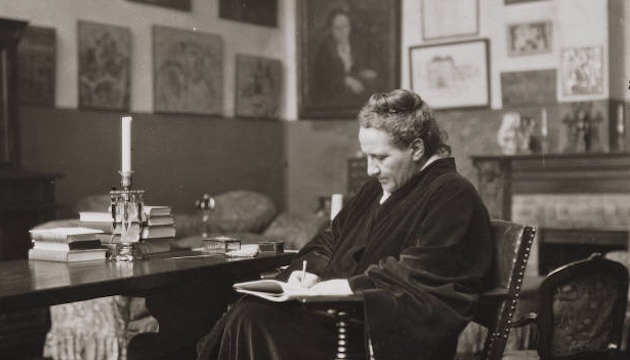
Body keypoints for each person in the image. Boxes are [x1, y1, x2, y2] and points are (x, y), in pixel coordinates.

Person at [196, 89, 494, 360]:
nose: (370, 168)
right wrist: (308, 274)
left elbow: (422, 278)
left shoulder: (452, 195)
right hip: (339, 315)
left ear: (416, 149)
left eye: (380, 157)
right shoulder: (377, 189)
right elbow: (330, 238)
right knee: (248, 312)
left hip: (375, 332)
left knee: (253, 320)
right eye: (366, 156)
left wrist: (345, 287)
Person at [311, 8, 381, 106]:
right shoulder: (325, 50)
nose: (343, 31)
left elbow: (367, 67)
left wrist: (365, 72)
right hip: (334, 99)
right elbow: (324, 78)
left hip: (360, 95)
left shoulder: (359, 45)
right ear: (331, 30)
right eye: (338, 28)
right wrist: (346, 80)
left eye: (346, 26)